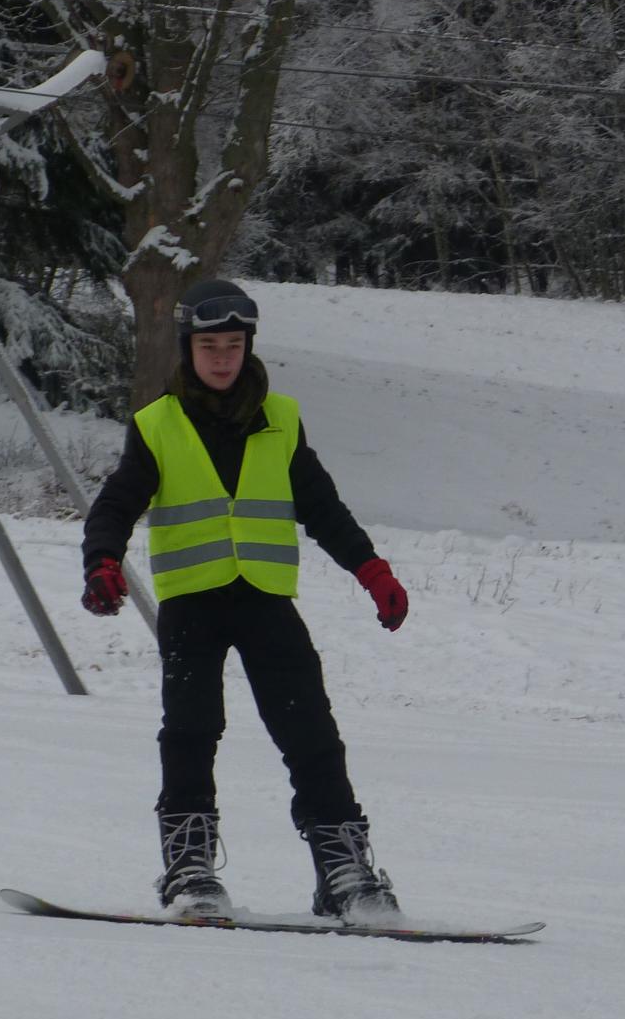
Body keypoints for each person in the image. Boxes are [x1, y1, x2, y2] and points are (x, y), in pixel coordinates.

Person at [78, 279, 411, 922]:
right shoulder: (158, 424)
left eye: (234, 345)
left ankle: (344, 874)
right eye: (210, 346)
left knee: (311, 734)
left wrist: (371, 569)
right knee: (191, 732)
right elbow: (116, 503)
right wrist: (102, 561)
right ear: (188, 349)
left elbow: (322, 507)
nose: (223, 358)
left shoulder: (280, 419)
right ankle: (189, 871)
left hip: (265, 601)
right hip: (192, 605)